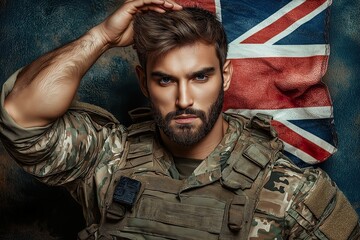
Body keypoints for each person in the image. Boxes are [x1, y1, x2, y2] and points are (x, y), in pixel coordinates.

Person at [0, 0, 359, 239]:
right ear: (143, 81)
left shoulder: (293, 191)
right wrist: (103, 36)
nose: (184, 99)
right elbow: (20, 114)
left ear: (226, 76)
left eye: (200, 77)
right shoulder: (104, 158)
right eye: (165, 79)